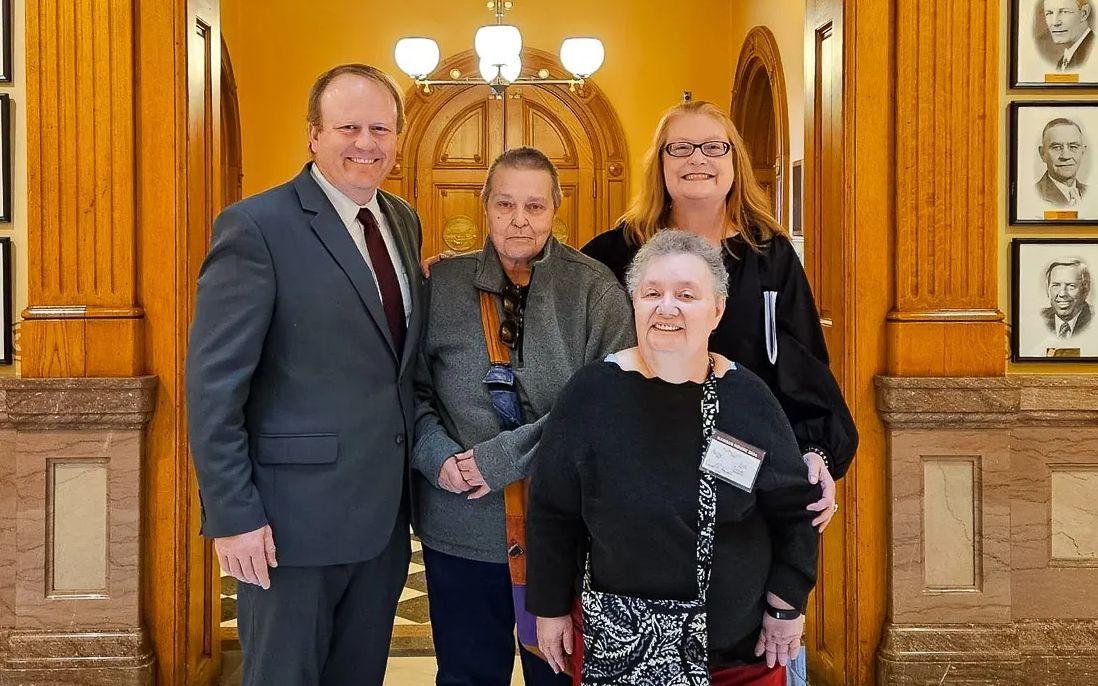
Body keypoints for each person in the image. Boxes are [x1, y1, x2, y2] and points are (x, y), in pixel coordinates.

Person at [186, 64, 423, 686]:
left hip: (382, 522)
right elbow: (214, 387)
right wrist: (232, 514)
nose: (366, 143)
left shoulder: (400, 219)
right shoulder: (256, 227)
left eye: (380, 128)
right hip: (288, 526)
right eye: (348, 127)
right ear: (313, 135)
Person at [527, 230, 821, 686]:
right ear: (635, 304)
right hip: (617, 645)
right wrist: (548, 609)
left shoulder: (747, 398)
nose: (667, 308)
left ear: (717, 311)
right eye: (652, 293)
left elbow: (793, 511)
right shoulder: (590, 395)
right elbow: (551, 512)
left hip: (736, 654)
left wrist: (787, 603)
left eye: (687, 295)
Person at [412, 146, 633, 686]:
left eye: (535, 206)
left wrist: (496, 461)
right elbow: (411, 392)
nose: (519, 219)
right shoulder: (440, 285)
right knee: (466, 675)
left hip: (563, 532)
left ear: (557, 208)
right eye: (505, 203)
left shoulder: (594, 290)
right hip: (458, 523)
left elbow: (605, 408)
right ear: (485, 205)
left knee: (559, 678)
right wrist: (436, 457)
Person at [582, 100, 857, 531]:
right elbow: (551, 297)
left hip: (742, 461)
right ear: (660, 163)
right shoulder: (613, 252)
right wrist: (458, 269)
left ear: (735, 161)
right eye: (681, 148)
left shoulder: (769, 256)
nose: (698, 159)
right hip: (640, 463)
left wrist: (817, 450)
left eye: (714, 147)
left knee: (737, 584)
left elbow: (804, 366)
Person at [1036, 118, 1089, 207]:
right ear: (1042, 154)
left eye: (1073, 147)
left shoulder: (1093, 193)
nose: (1066, 156)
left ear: (1083, 152)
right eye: (1057, 147)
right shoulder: (1032, 195)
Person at [1042, 258, 1093, 337]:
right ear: (1047, 289)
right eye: (1056, 285)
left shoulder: (1094, 320)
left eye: (1071, 286)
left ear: (1085, 290)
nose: (1062, 294)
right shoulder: (1039, 319)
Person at [1040, 0, 1094, 70]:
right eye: (1049, 13)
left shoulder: (1093, 55)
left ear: (1084, 13)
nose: (1054, 22)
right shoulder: (1063, 62)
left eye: (1064, 12)